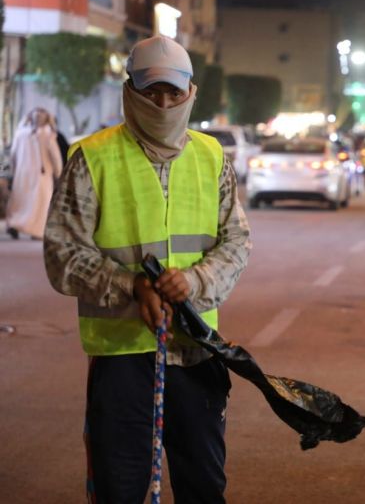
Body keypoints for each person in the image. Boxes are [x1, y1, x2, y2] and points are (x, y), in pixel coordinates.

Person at [43, 36, 251, 503]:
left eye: (172, 92)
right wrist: (129, 286)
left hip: (196, 352)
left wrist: (195, 282)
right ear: (129, 91)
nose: (162, 102)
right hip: (121, 358)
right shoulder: (91, 158)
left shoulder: (213, 157)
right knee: (121, 488)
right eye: (150, 91)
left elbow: (236, 241)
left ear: (191, 92)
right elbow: (61, 253)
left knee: (204, 486)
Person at [5, 107, 62, 239]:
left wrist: (14, 171)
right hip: (42, 175)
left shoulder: (20, 133)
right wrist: (58, 173)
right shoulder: (48, 134)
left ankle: (14, 224)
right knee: (41, 202)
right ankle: (37, 231)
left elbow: (13, 155)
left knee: (20, 200)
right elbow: (55, 157)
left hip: (22, 174)